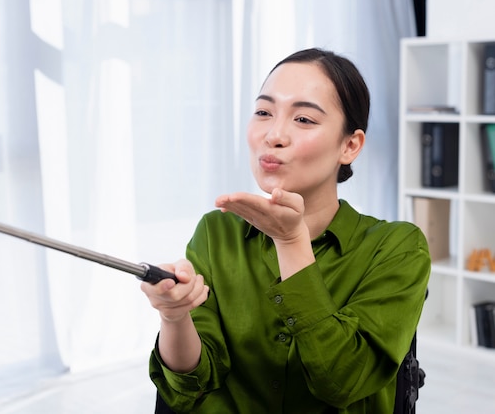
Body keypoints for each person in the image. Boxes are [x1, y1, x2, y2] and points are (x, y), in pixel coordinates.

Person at [140, 48, 431, 413]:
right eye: (263, 112)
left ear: (350, 145)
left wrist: (290, 241)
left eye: (304, 119)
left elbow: (341, 381)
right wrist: (174, 315)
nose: (274, 134)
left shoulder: (398, 248)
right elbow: (191, 383)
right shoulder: (216, 231)